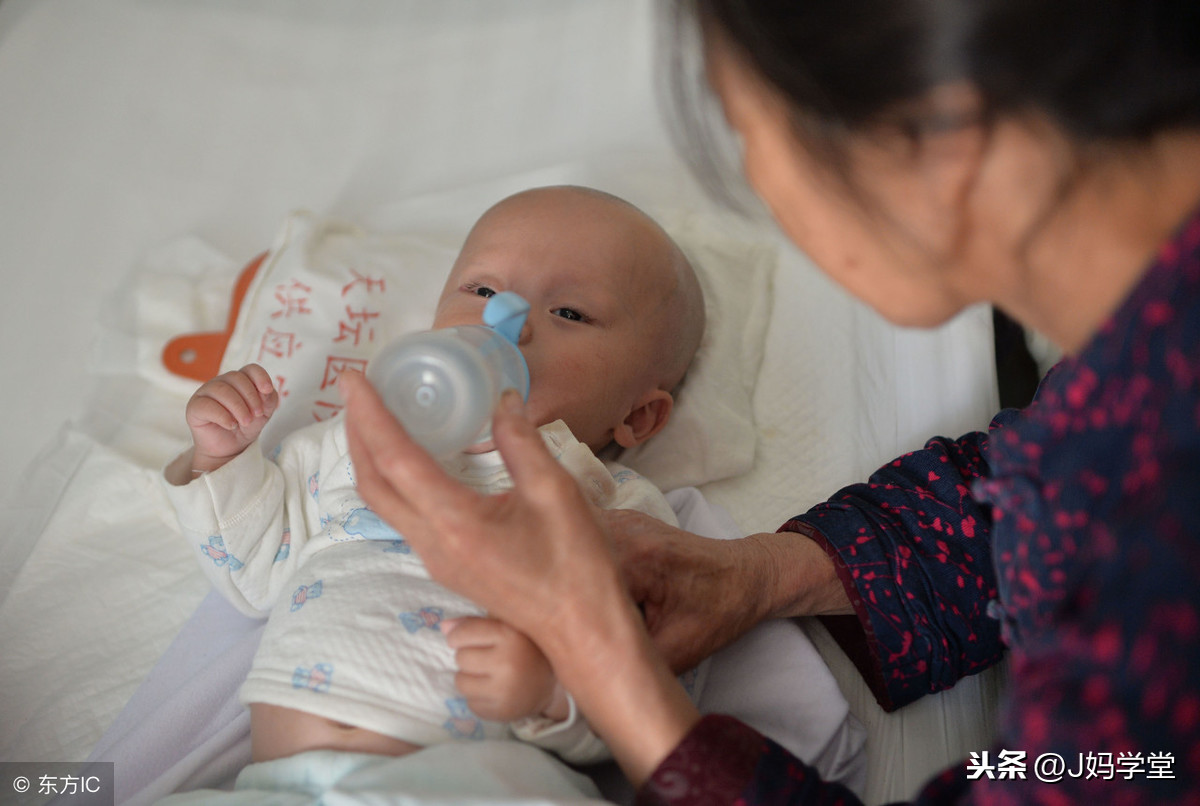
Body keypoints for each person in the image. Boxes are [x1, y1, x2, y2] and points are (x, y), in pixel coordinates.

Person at [339, 0, 1200, 803]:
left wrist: (607, 672)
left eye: (747, 135)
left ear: (943, 153)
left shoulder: (1154, 568)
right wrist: (761, 576)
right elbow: (1040, 492)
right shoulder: (1138, 386)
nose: (507, 325)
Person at [161, 186, 706, 775]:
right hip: (279, 781)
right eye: (482, 290)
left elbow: (645, 693)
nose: (505, 320)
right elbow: (255, 574)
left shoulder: (612, 510)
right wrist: (225, 457)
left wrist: (548, 694)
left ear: (636, 415)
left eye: (569, 312)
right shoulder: (358, 436)